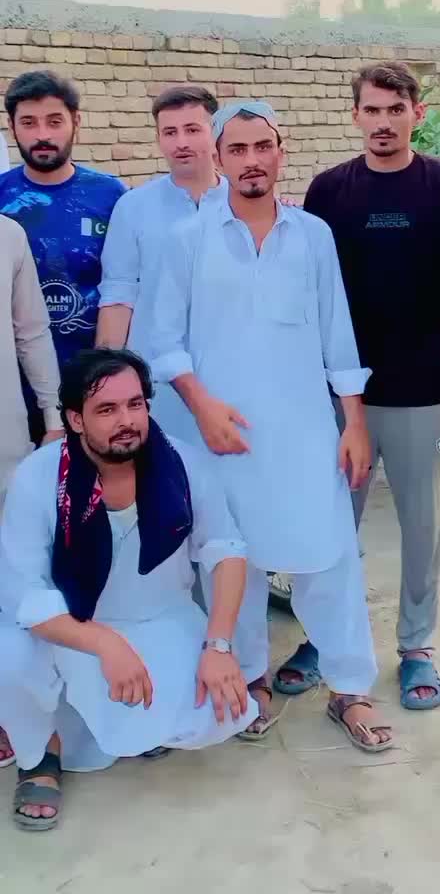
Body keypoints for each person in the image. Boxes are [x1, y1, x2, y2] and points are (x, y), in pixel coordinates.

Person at [150, 99, 393, 752]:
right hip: (221, 435)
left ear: (281, 152)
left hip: (306, 430)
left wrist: (353, 423)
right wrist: (202, 405)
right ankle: (251, 678)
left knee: (329, 556)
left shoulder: (312, 235)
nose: (252, 160)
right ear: (219, 158)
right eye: (238, 149)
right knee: (235, 558)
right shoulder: (188, 240)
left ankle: (350, 688)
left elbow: (337, 334)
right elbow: (162, 339)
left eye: (264, 147)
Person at [0, 348, 256, 831]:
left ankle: (135, 716)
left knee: (206, 717)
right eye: (107, 409)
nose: (127, 421)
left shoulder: (180, 461)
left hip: (159, 617)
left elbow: (225, 548)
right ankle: (39, 756)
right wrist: (104, 642)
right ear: (75, 419)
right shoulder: (39, 476)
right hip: (67, 628)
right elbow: (24, 595)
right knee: (8, 654)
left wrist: (219, 646)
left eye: (135, 404)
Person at [275, 63, 440, 711]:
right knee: (329, 524)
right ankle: (322, 637)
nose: (383, 122)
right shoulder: (329, 191)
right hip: (340, 394)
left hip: (422, 388)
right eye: (372, 110)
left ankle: (416, 646)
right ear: (354, 115)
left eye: (395, 109)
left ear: (418, 114)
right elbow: (309, 292)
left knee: (421, 527)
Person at [0, 71, 126, 443]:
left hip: (94, 384)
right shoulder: (2, 198)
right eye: (28, 123)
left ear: (76, 122)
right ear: (11, 126)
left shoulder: (111, 196)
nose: (42, 134)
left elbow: (127, 289)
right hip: (14, 392)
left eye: (54, 121)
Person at [96, 85, 226, 439]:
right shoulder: (133, 207)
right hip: (155, 382)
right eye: (170, 132)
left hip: (229, 378)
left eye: (192, 129)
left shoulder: (244, 204)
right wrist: (105, 374)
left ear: (214, 132)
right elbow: (118, 294)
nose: (181, 142)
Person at [0, 214, 63, 771]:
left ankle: (22, 720)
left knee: (16, 585)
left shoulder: (8, 236)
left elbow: (31, 332)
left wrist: (53, 414)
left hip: (5, 443)